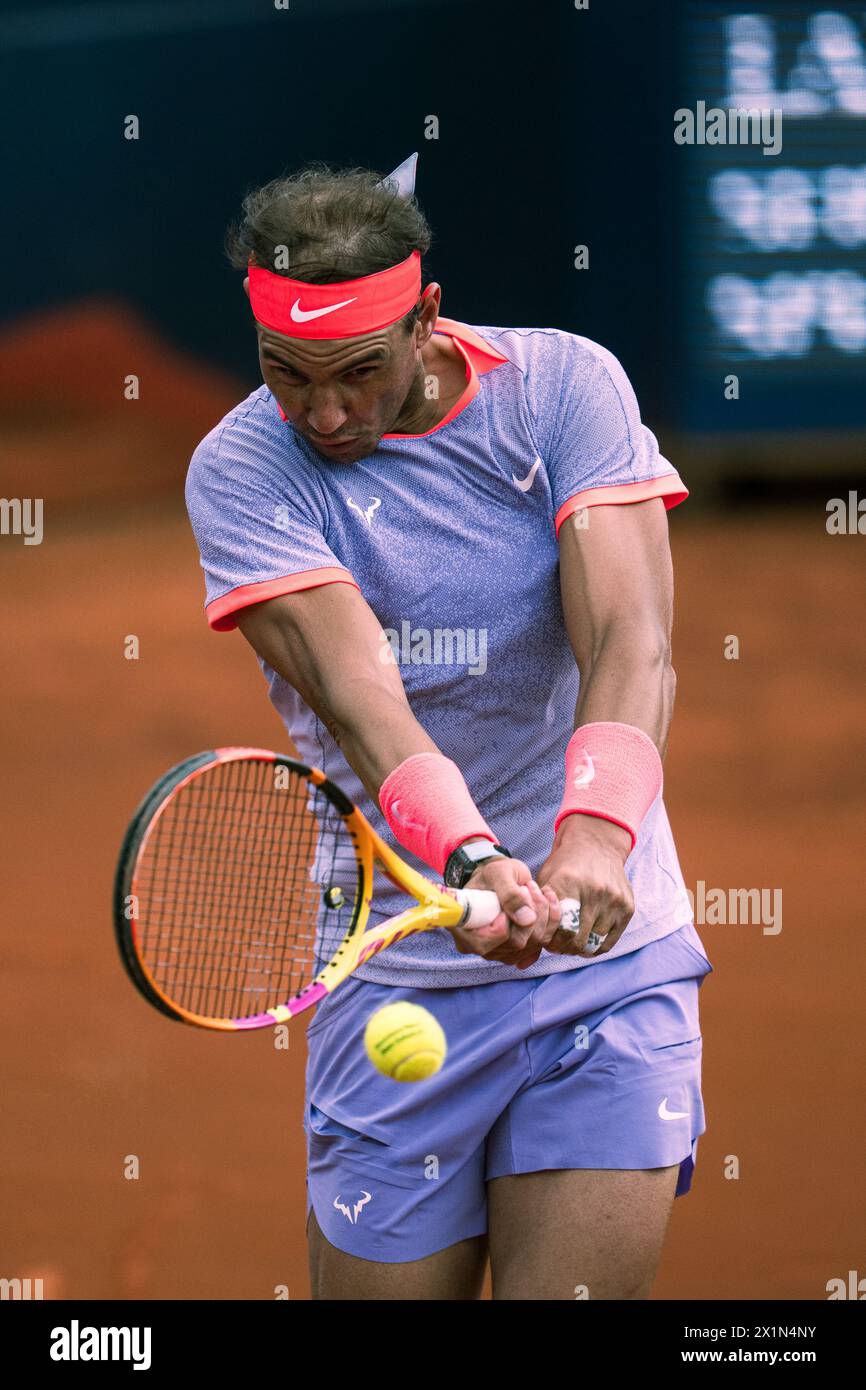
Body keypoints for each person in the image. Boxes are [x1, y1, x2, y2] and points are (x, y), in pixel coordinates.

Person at [184, 153, 713, 1300]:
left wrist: (595, 835)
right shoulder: (240, 471)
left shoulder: (562, 386)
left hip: (604, 964)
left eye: (357, 373)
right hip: (403, 965)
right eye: (287, 373)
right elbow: (363, 699)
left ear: (425, 319)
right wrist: (474, 861)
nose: (323, 413)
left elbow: (628, 637)